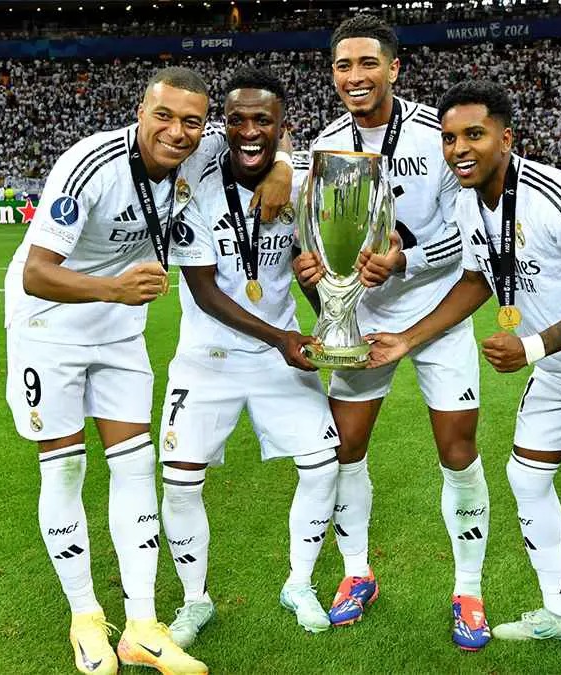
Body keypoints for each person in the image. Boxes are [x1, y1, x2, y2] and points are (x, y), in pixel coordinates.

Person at [367, 80, 561, 675]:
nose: (459, 149)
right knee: (526, 479)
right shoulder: (467, 202)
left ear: (506, 138)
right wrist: (408, 338)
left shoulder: (557, 195)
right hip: (557, 367)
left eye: (474, 135)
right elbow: (478, 279)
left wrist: (530, 346)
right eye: (449, 138)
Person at [2, 66, 292, 675]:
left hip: (119, 326)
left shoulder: (199, 152)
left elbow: (266, 138)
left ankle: (141, 626)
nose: (177, 132)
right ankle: (85, 619)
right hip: (48, 324)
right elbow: (36, 272)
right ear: (140, 112)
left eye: (192, 121)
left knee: (134, 465)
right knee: (66, 466)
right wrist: (113, 288)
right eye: (164, 116)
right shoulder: (91, 164)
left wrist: (284, 167)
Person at [292, 13, 492, 650]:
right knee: (345, 447)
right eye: (343, 65)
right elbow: (315, 231)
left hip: (435, 315)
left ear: (394, 68)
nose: (355, 76)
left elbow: (470, 237)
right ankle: (357, 573)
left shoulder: (438, 136)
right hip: (361, 317)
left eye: (368, 63)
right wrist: (315, 270)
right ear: (332, 74)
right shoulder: (327, 146)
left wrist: (405, 260)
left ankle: (468, 590)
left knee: (457, 450)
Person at [156, 68, 340, 647]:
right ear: (224, 124)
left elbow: (313, 268)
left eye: (264, 121)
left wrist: (330, 320)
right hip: (207, 356)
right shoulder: (196, 177)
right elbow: (205, 292)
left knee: (323, 465)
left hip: (277, 356)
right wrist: (282, 338)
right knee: (180, 483)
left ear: (283, 127)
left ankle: (299, 583)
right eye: (237, 119)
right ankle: (195, 600)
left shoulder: (303, 181)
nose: (250, 130)